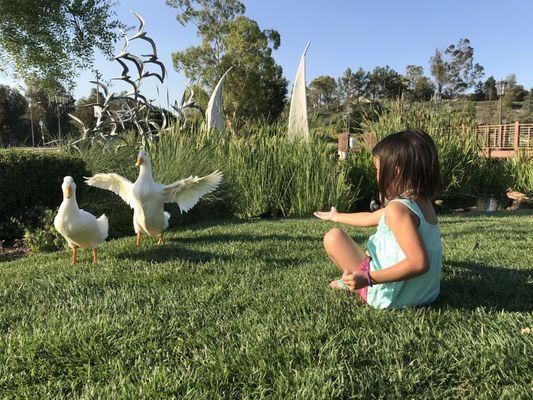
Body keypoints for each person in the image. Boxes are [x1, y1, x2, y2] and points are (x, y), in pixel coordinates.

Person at [314, 130, 443, 309]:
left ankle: (353, 283)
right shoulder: (423, 203)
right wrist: (335, 216)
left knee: (333, 238)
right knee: (365, 250)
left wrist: (367, 278)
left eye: (377, 169)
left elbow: (419, 263)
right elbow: (369, 218)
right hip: (426, 294)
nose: (376, 175)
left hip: (392, 297)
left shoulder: (398, 209)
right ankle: (355, 279)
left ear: (395, 171)